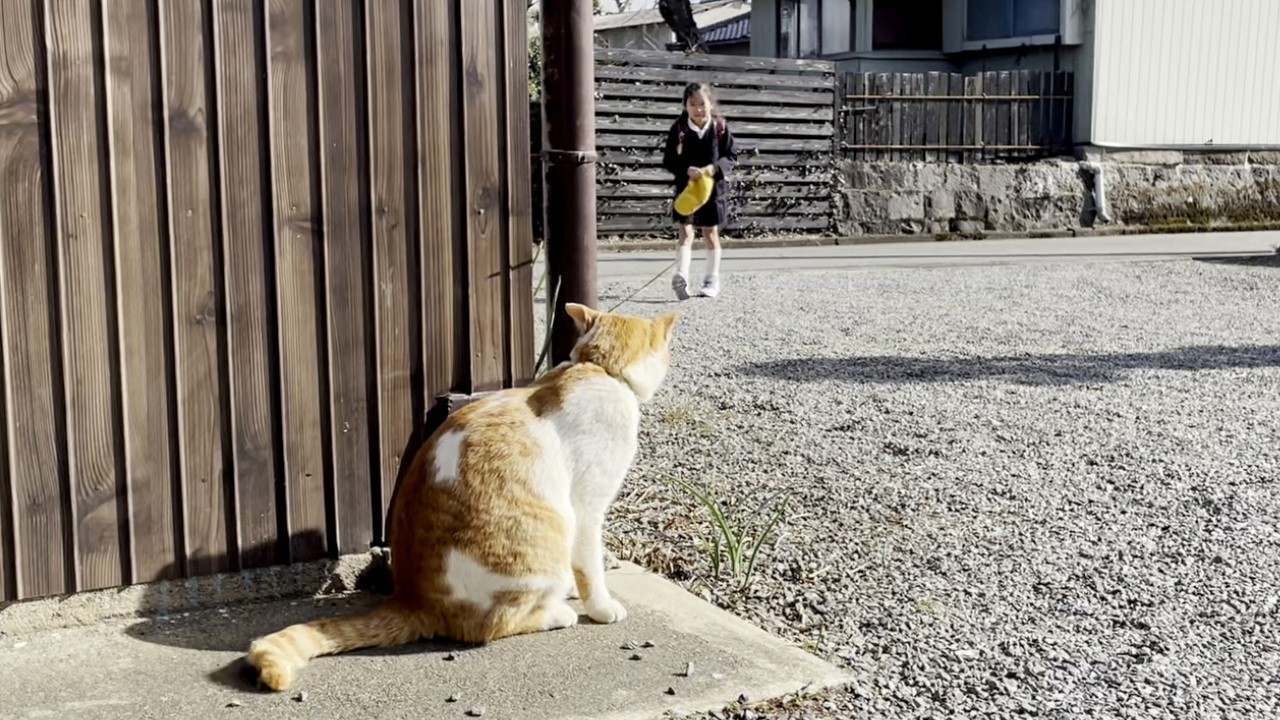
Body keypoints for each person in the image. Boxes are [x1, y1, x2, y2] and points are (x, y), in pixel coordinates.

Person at [662, 82, 739, 300]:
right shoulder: (679, 129)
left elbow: (731, 157)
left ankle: (711, 280)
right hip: (686, 188)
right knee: (685, 232)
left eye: (702, 104)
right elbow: (669, 160)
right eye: (692, 104)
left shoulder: (720, 128)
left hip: (713, 190)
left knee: (710, 233)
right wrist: (686, 169)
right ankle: (682, 276)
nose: (698, 109)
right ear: (685, 105)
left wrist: (712, 169)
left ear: (710, 104)